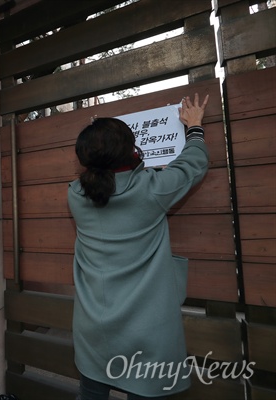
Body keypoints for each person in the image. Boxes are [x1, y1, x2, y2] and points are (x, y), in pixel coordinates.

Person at [68, 94, 210, 400]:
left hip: (92, 324)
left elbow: (103, 182)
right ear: (130, 151)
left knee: (91, 392)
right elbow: (193, 164)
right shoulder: (151, 188)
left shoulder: (75, 195)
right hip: (146, 330)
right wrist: (194, 127)